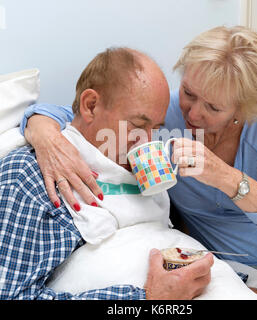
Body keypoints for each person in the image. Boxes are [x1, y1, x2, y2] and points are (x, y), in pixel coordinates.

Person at [18, 28, 257, 298]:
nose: (192, 114)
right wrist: (43, 131)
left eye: (214, 107)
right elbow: (81, 116)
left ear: (240, 111)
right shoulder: (30, 178)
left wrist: (226, 178)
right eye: (188, 93)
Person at [0, 48, 216, 300]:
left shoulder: (138, 173)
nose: (145, 141)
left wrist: (227, 282)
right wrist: (148, 299)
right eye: (137, 125)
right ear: (90, 106)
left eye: (155, 128)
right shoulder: (27, 179)